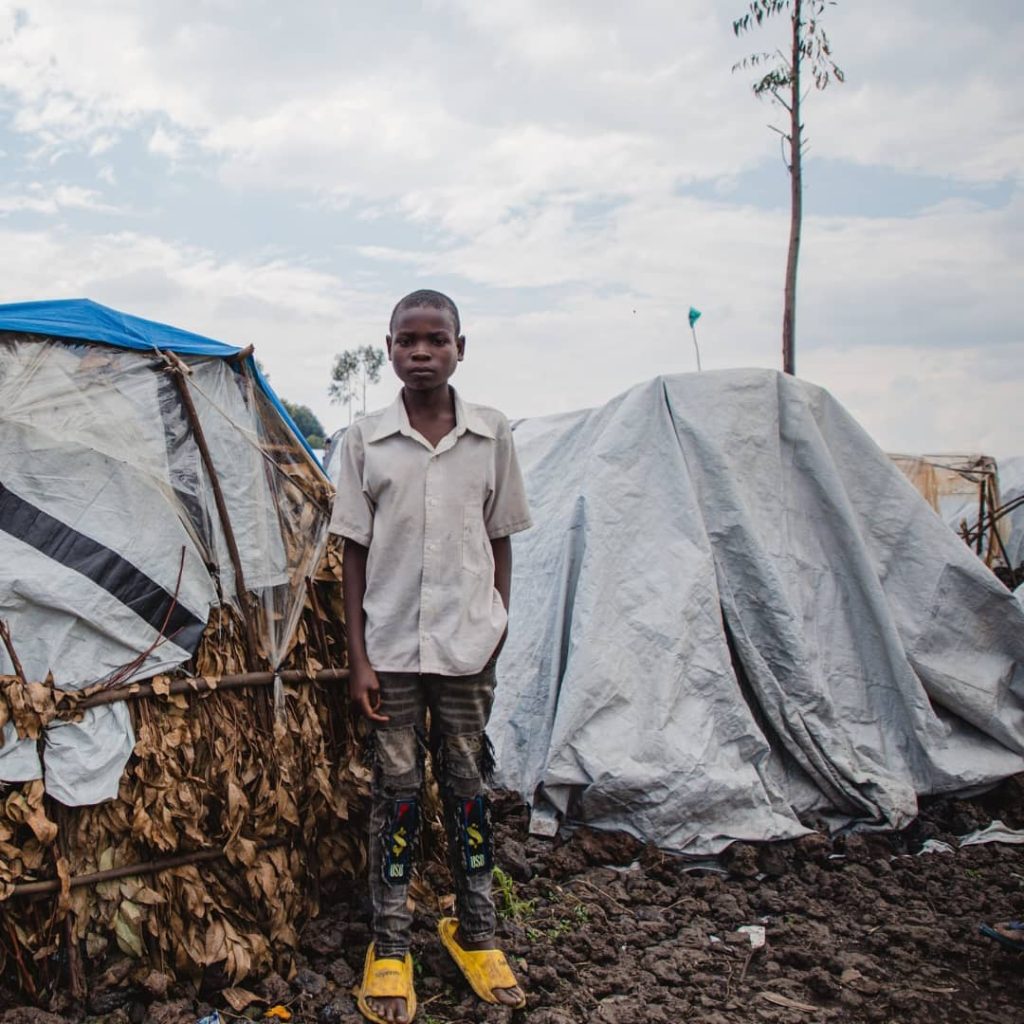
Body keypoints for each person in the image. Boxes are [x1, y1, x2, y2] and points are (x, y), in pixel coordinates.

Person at [331, 289, 531, 1024]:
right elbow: (353, 552)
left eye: (436, 340)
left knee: (468, 787)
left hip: (467, 647)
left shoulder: (491, 435)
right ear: (388, 349)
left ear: (459, 348)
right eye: (407, 340)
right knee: (397, 792)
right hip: (390, 650)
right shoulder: (366, 440)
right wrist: (358, 657)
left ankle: (477, 932)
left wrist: (497, 619)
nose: (421, 352)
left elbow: (501, 535)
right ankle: (390, 945)